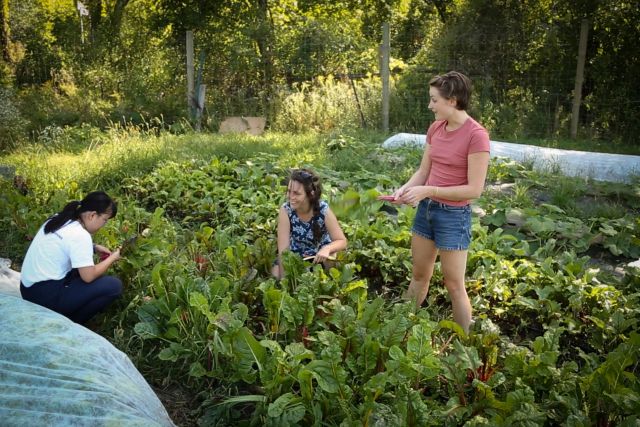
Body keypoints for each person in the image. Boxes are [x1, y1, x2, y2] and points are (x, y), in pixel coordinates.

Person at [392, 71, 490, 333]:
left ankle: (464, 344)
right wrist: (404, 191)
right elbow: (423, 171)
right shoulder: (436, 128)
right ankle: (398, 332)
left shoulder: (476, 135)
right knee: (419, 275)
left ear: (453, 100)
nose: (430, 105)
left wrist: (428, 190)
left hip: (454, 217)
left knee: (454, 284)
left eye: (434, 100)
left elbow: (474, 190)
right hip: (426, 211)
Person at [20, 191, 123, 324]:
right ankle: (71, 322)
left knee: (80, 270)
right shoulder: (81, 235)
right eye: (104, 220)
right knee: (113, 286)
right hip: (43, 299)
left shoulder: (60, 218)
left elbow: (64, 242)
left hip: (27, 289)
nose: (104, 225)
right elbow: (88, 276)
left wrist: (94, 247)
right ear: (92, 215)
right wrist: (112, 258)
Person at [272, 168, 347, 279]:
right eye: (289, 191)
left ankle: (326, 283)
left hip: (320, 256)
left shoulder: (323, 210)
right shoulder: (286, 210)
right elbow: (283, 251)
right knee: (276, 273)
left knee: (331, 259)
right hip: (297, 256)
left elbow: (342, 241)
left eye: (296, 193)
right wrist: (285, 282)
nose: (291, 197)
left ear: (310, 194)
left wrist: (327, 249)